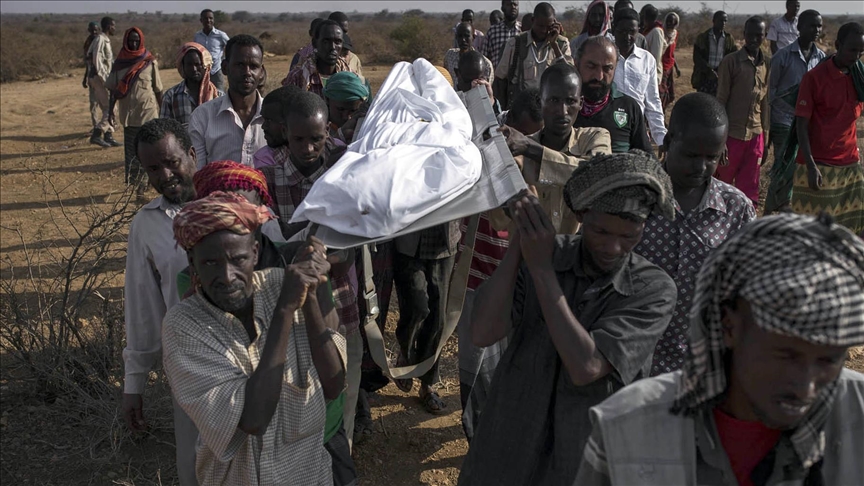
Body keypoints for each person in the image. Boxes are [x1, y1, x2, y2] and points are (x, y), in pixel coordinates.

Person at [575, 213, 864, 486]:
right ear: (728, 326)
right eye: (785, 356)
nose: (805, 387)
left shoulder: (858, 412)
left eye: (828, 360)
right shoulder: (627, 426)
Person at [458, 151, 678, 486]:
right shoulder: (546, 251)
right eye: (601, 231)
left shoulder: (653, 289)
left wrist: (542, 270)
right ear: (581, 215)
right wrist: (520, 243)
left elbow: (586, 366)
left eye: (629, 236)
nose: (613, 248)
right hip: (508, 443)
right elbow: (483, 332)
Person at [164, 192, 345, 486]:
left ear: (256, 253)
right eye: (210, 263)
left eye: (238, 259)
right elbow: (253, 419)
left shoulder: (280, 284)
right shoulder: (184, 325)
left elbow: (334, 385)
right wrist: (284, 311)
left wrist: (310, 296)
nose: (227, 276)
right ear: (192, 262)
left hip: (309, 475)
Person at [259, 91, 365, 448]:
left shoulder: (343, 176)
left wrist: (314, 256)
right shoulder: (266, 178)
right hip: (284, 309)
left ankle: (340, 451)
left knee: (342, 390)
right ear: (284, 133)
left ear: (328, 133)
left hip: (339, 301)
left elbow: (349, 250)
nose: (307, 148)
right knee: (296, 393)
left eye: (316, 139)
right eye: (298, 139)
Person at [635, 93, 755, 376]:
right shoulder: (636, 197)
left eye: (711, 158)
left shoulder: (736, 210)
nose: (700, 167)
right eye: (691, 155)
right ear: (668, 141)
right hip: (635, 361)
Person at [123, 118, 199, 485]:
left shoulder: (232, 200)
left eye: (171, 162)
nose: (165, 175)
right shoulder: (146, 224)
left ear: (192, 154)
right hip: (187, 365)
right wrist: (133, 384)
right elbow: (143, 308)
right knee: (195, 465)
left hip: (247, 358)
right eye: (153, 168)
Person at [494, 62, 611, 234]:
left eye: (570, 101)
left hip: (577, 251)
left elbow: (596, 175)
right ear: (541, 101)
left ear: (581, 102)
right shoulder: (517, 152)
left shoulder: (595, 138)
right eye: (554, 100)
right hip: (530, 251)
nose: (562, 111)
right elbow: (497, 221)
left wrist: (531, 150)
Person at [790, 22, 864, 236]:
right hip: (819, 165)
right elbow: (801, 126)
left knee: (851, 231)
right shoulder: (814, 78)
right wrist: (811, 166)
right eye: (852, 50)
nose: (857, 56)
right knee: (812, 234)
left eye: (861, 51)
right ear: (838, 45)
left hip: (850, 165)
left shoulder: (859, 77)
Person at [764, 10, 826, 213]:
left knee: (798, 167)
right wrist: (769, 127)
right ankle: (773, 210)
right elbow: (771, 93)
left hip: (806, 123)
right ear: (799, 28)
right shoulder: (782, 56)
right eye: (812, 25)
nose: (816, 30)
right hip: (783, 120)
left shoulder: (821, 58)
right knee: (783, 166)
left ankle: (781, 209)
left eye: (819, 26)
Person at [715, 16, 770, 207]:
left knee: (750, 189)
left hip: (756, 135)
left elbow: (765, 103)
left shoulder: (767, 64)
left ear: (765, 36)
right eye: (750, 35)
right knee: (721, 186)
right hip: (732, 134)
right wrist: (721, 139)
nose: (754, 39)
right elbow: (721, 100)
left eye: (759, 35)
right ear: (744, 34)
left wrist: (766, 140)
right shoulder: (731, 62)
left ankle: (746, 223)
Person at [189, 34, 267, 168]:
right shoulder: (202, 117)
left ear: (261, 72)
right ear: (225, 67)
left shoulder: (277, 117)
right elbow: (198, 173)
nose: (247, 72)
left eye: (254, 66)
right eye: (240, 65)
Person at [106, 27, 163, 194]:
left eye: (137, 40)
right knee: (132, 152)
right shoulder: (119, 64)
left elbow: (158, 90)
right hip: (129, 117)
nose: (134, 43)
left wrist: (164, 111)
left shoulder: (149, 62)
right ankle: (136, 184)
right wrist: (110, 111)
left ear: (141, 41)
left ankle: (146, 183)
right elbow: (113, 91)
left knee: (150, 151)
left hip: (148, 114)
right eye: (131, 40)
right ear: (126, 41)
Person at [574, 36, 650, 153]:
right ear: (577, 64)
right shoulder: (561, 106)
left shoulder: (629, 107)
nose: (599, 76)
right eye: (591, 67)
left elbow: (646, 157)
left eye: (607, 69)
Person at [494, 2, 572, 109]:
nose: (544, 30)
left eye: (548, 26)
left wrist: (554, 45)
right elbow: (500, 79)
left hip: (551, 108)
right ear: (533, 20)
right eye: (540, 26)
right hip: (522, 108)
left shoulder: (562, 44)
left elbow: (569, 76)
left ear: (555, 23)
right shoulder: (515, 43)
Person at [611, 8, 666, 146]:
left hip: (637, 130)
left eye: (632, 32)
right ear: (613, 29)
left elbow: (652, 101)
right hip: (609, 130)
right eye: (622, 31)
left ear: (639, 31)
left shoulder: (647, 59)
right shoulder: (604, 57)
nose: (627, 37)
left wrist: (661, 137)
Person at [283, 20, 355, 99]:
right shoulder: (298, 77)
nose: (332, 47)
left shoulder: (351, 77)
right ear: (315, 43)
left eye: (338, 42)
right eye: (326, 41)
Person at [160, 42, 222, 130]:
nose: (194, 69)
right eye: (189, 65)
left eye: (197, 64)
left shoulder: (218, 96)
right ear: (183, 67)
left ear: (205, 65)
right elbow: (164, 130)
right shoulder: (171, 97)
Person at [86, 16, 120, 148]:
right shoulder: (100, 39)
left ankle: (108, 136)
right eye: (113, 26)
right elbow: (97, 61)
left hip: (99, 78)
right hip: (100, 78)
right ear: (108, 26)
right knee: (110, 108)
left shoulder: (104, 40)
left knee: (108, 107)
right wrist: (106, 81)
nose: (114, 28)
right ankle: (97, 133)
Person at [253, 85, 301, 169]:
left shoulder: (321, 150)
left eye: (269, 120)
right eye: (264, 119)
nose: (263, 126)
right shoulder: (265, 158)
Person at [692, 11, 736, 96]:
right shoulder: (703, 37)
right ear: (714, 21)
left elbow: (732, 57)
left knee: (719, 101)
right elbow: (697, 58)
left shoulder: (729, 39)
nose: (723, 23)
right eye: (721, 20)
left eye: (725, 21)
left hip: (721, 77)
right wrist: (709, 71)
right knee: (703, 101)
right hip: (704, 76)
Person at [322, 71, 369, 145]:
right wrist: (340, 136)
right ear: (327, 100)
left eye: (353, 111)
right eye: (341, 109)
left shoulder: (364, 129)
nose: (346, 117)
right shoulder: (315, 127)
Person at [445, 22, 494, 87]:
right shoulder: (450, 56)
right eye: (460, 36)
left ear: (473, 37)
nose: (463, 40)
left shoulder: (485, 64)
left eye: (467, 36)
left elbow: (486, 89)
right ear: (456, 37)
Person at [193, 9, 229, 91]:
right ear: (201, 20)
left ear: (213, 20)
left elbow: (231, 46)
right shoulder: (197, 36)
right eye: (205, 18)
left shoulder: (220, 35)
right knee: (202, 95)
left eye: (211, 18)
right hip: (202, 72)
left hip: (216, 71)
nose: (208, 20)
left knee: (219, 95)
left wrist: (226, 60)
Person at [82, 21, 105, 140]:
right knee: (93, 104)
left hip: (101, 77)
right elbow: (88, 64)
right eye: (92, 30)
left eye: (96, 30)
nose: (94, 32)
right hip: (92, 77)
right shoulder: (87, 43)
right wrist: (85, 78)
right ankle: (96, 126)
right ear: (89, 30)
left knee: (105, 104)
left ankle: (106, 125)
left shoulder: (101, 42)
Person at [484, 0, 521, 68]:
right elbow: (484, 59)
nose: (513, 7)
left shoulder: (523, 30)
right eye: (509, 4)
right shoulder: (493, 31)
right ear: (502, 8)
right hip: (497, 73)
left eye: (515, 5)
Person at [328, 11, 364, 82]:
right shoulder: (315, 60)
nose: (341, 34)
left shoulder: (353, 59)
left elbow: (360, 84)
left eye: (344, 31)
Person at [659, 12, 681, 110]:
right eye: (668, 21)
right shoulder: (661, 33)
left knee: (669, 92)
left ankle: (663, 110)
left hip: (670, 66)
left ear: (676, 23)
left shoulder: (675, 34)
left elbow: (671, 53)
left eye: (672, 22)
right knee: (662, 91)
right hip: (662, 66)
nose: (670, 23)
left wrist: (676, 67)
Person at [639, 4, 666, 85]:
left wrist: (649, 71)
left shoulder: (656, 31)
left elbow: (656, 56)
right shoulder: (647, 29)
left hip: (651, 73)